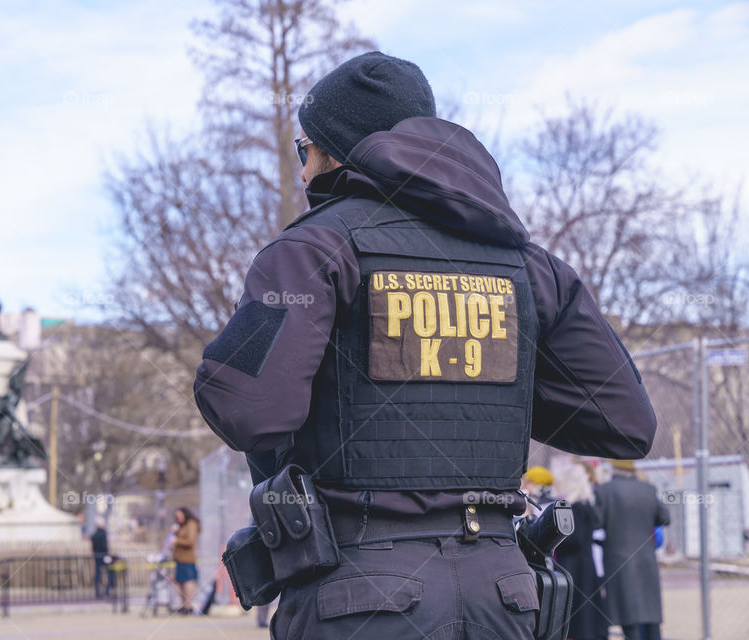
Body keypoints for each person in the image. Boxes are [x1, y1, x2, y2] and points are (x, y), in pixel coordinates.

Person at [194, 50, 657, 638]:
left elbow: (246, 408)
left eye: (303, 150)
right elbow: (625, 425)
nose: (303, 173)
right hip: (505, 599)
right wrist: (486, 371)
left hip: (358, 599)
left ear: (335, 151)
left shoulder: (313, 250)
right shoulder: (532, 267)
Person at [595, 460, 670, 640]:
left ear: (614, 470)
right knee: (650, 616)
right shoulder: (648, 489)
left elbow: (596, 521)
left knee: (628, 617)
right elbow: (665, 518)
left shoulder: (604, 491)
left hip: (618, 560)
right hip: (646, 560)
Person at [551, 458, 609, 640]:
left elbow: (573, 540)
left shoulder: (575, 508)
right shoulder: (585, 506)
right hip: (584, 567)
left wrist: (551, 540)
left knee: (577, 617)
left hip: (574, 567)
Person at [171, 507, 199, 615]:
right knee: (180, 583)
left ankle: (189, 606)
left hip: (187, 559)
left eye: (179, 515)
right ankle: (183, 606)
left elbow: (190, 541)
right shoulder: (181, 526)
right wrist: (175, 532)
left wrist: (177, 540)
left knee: (188, 582)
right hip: (179, 559)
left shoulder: (192, 524)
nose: (177, 518)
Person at [90, 517, 115, 598]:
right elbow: (104, 546)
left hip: (97, 557)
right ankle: (107, 590)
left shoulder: (94, 535)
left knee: (98, 575)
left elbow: (93, 547)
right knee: (110, 572)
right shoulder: (103, 533)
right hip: (104, 556)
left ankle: (97, 591)